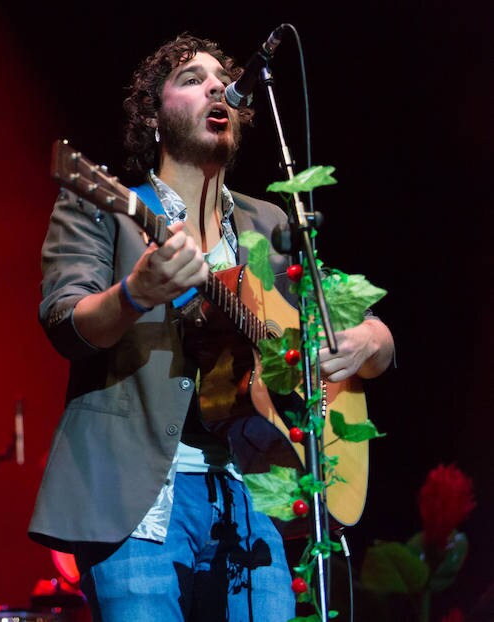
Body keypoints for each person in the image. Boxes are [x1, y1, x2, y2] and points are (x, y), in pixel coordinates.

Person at [28, 33, 394, 621]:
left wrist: (373, 342)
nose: (217, 86)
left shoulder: (269, 220)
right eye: (192, 79)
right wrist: (133, 293)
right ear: (153, 115)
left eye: (223, 78)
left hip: (254, 496)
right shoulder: (105, 205)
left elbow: (354, 318)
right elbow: (65, 322)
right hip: (138, 498)